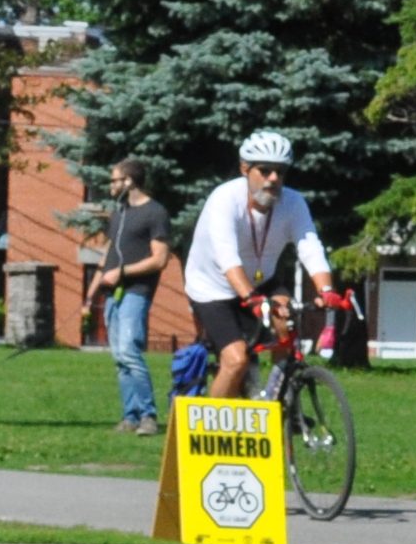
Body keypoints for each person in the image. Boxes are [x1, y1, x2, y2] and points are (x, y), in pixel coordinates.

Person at [186, 132, 330, 401]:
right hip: (214, 287)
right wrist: (252, 299)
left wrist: (327, 290)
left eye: (280, 171)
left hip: (262, 280)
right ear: (245, 169)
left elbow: (310, 246)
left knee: (286, 327)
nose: (273, 179)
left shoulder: (293, 202)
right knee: (236, 360)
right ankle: (212, 429)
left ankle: (280, 408)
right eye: (264, 170)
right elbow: (227, 258)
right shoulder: (224, 199)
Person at [84, 162, 171, 435]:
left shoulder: (155, 213)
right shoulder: (119, 214)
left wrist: (122, 272)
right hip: (112, 294)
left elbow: (160, 259)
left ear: (130, 182)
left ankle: (148, 416)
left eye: (115, 181)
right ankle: (129, 416)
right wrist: (91, 292)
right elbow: (109, 253)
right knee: (120, 357)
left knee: (130, 351)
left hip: (136, 292)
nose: (111, 186)